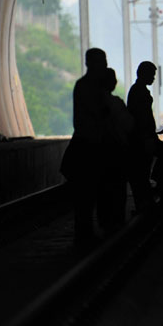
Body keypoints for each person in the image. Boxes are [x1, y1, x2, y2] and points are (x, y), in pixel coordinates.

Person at [63, 47, 109, 244]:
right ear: (93, 63)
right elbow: (98, 115)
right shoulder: (93, 87)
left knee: (85, 196)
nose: (105, 65)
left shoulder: (82, 85)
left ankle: (85, 233)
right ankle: (86, 234)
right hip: (90, 148)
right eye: (102, 61)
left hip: (84, 146)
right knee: (89, 194)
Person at [99, 67, 134, 233]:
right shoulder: (116, 103)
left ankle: (104, 223)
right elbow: (129, 125)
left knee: (103, 191)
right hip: (117, 151)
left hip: (99, 152)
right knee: (118, 189)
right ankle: (117, 222)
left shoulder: (92, 102)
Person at [126, 61, 157, 213]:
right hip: (141, 139)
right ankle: (144, 204)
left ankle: (143, 204)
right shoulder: (140, 92)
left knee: (141, 173)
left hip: (140, 138)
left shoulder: (137, 90)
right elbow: (142, 118)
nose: (153, 78)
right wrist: (149, 136)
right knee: (141, 173)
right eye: (152, 75)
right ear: (144, 74)